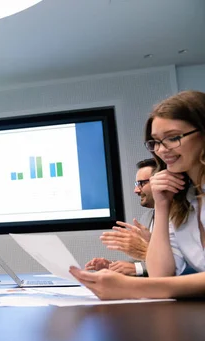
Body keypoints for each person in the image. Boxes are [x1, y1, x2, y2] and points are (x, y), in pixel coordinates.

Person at [71, 90, 205, 299]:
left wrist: (131, 287)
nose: (161, 150)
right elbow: (161, 274)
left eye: (173, 138)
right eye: (156, 142)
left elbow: (159, 284)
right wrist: (162, 206)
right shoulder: (183, 199)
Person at [85, 158, 156, 276]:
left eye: (141, 183)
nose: (136, 190)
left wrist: (137, 267)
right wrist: (112, 266)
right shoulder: (147, 217)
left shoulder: (182, 217)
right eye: (136, 184)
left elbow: (179, 264)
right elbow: (144, 261)